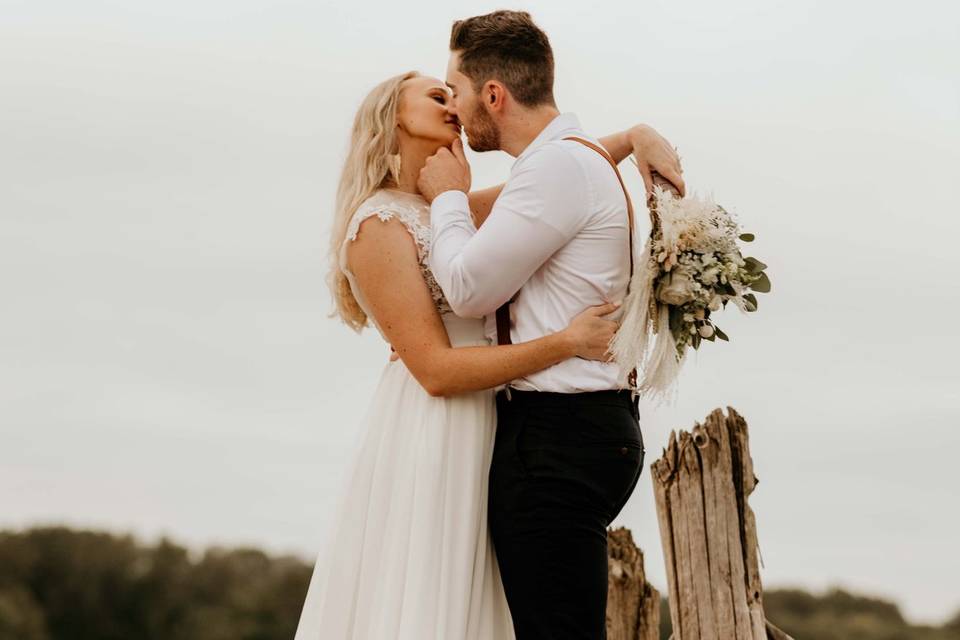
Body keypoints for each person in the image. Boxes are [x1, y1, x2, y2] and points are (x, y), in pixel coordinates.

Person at [293, 69, 683, 638]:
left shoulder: (448, 208)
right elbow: (435, 371)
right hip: (436, 428)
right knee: (434, 597)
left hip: (492, 427)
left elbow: (562, 178)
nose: (453, 103)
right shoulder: (376, 224)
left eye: (454, 93)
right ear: (391, 117)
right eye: (436, 95)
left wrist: (636, 136)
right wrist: (564, 343)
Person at [417, 11, 684, 640]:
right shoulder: (569, 162)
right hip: (578, 430)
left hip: (557, 441)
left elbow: (468, 289)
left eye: (454, 89)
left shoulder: (557, 168)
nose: (451, 107)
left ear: (493, 95)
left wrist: (448, 197)